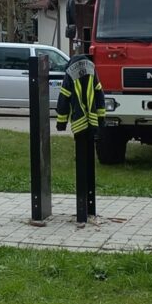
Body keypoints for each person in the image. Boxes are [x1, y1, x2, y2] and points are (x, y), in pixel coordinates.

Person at [55, 53, 106, 224]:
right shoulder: (92, 70)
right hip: (92, 122)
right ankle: (88, 208)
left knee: (81, 163)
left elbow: (64, 97)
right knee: (89, 163)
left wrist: (61, 122)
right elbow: (99, 95)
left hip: (78, 122)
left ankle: (82, 212)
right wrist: (101, 119)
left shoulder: (70, 72)